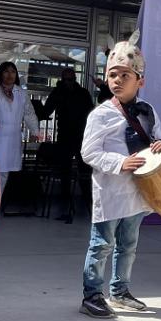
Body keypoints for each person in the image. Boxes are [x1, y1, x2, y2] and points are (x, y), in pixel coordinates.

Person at [78, 33, 161, 318]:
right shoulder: (100, 115)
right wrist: (120, 163)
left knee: (128, 245)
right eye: (112, 75)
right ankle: (91, 295)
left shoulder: (149, 110)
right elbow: (88, 153)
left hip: (139, 191)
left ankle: (120, 291)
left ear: (140, 80)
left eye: (124, 75)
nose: (116, 80)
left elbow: (157, 140)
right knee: (102, 245)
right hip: (111, 190)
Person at [0, 62, 40, 208]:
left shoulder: (21, 93)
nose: (9, 75)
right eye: (6, 71)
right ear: (0, 73)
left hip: (12, 139)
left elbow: (29, 113)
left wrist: (35, 131)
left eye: (13, 72)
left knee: (4, 173)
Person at [42, 67, 94, 223]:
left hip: (81, 137)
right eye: (65, 80)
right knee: (64, 174)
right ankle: (65, 208)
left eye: (70, 79)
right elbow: (46, 110)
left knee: (85, 174)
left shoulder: (83, 93)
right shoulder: (58, 92)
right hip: (64, 137)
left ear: (75, 79)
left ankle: (89, 207)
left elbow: (91, 114)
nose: (67, 82)